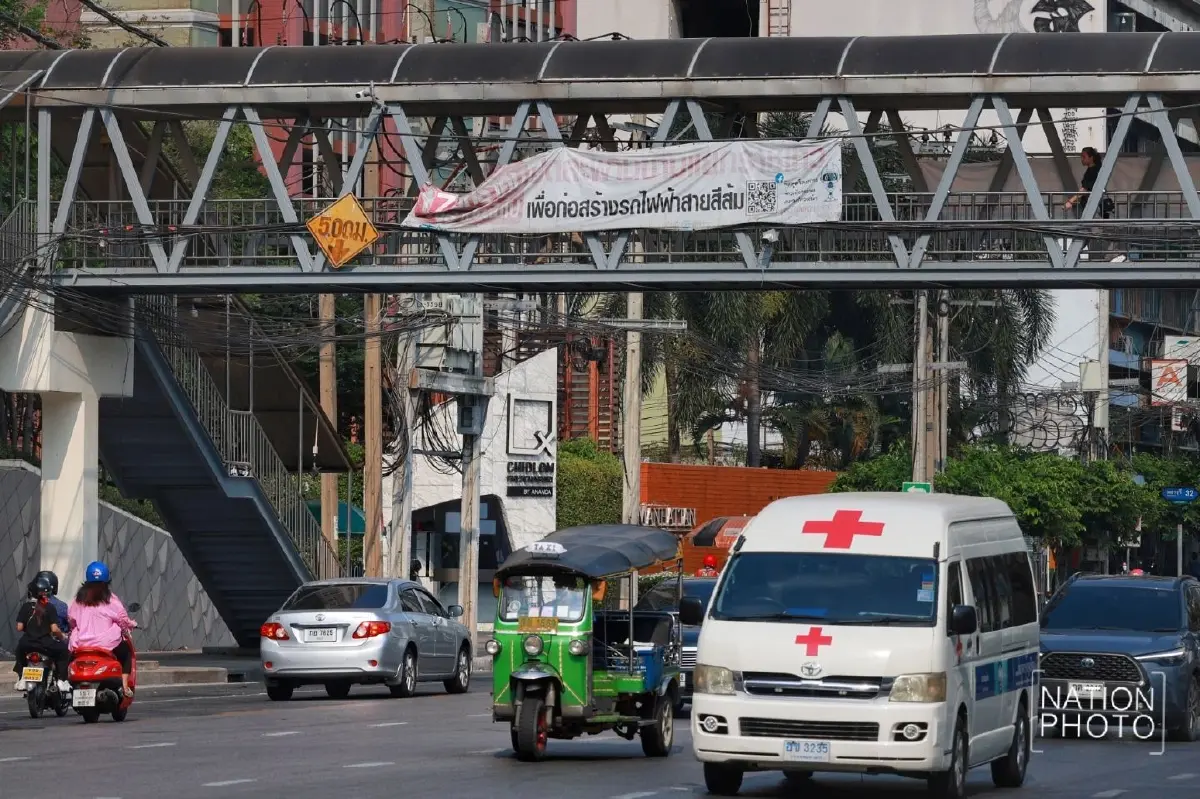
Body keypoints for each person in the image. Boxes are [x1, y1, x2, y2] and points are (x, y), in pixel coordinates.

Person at [67, 561, 137, 697]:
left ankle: (66, 683)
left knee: (69, 657)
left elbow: (71, 619)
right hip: (106, 644)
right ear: (107, 580)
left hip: (81, 644)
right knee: (126, 654)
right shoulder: (110, 598)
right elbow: (122, 619)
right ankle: (124, 686)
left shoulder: (79, 599)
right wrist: (131, 624)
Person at [13, 574, 71, 694]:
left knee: (19, 652)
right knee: (64, 651)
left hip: (27, 643)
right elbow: (54, 629)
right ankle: (61, 680)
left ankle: (22, 677)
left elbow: (19, 627)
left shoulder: (26, 606)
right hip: (45, 644)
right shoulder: (50, 607)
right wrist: (63, 637)